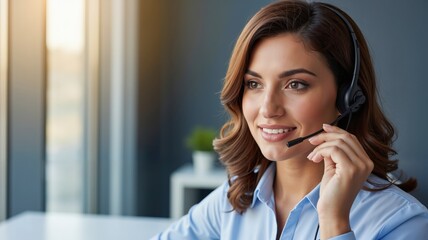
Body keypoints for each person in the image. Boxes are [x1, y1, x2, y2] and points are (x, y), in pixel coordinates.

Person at [152, 1, 428, 239]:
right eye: (254, 84)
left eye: (295, 84)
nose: (268, 108)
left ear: (348, 97)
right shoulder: (235, 199)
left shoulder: (402, 222)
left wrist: (335, 223)